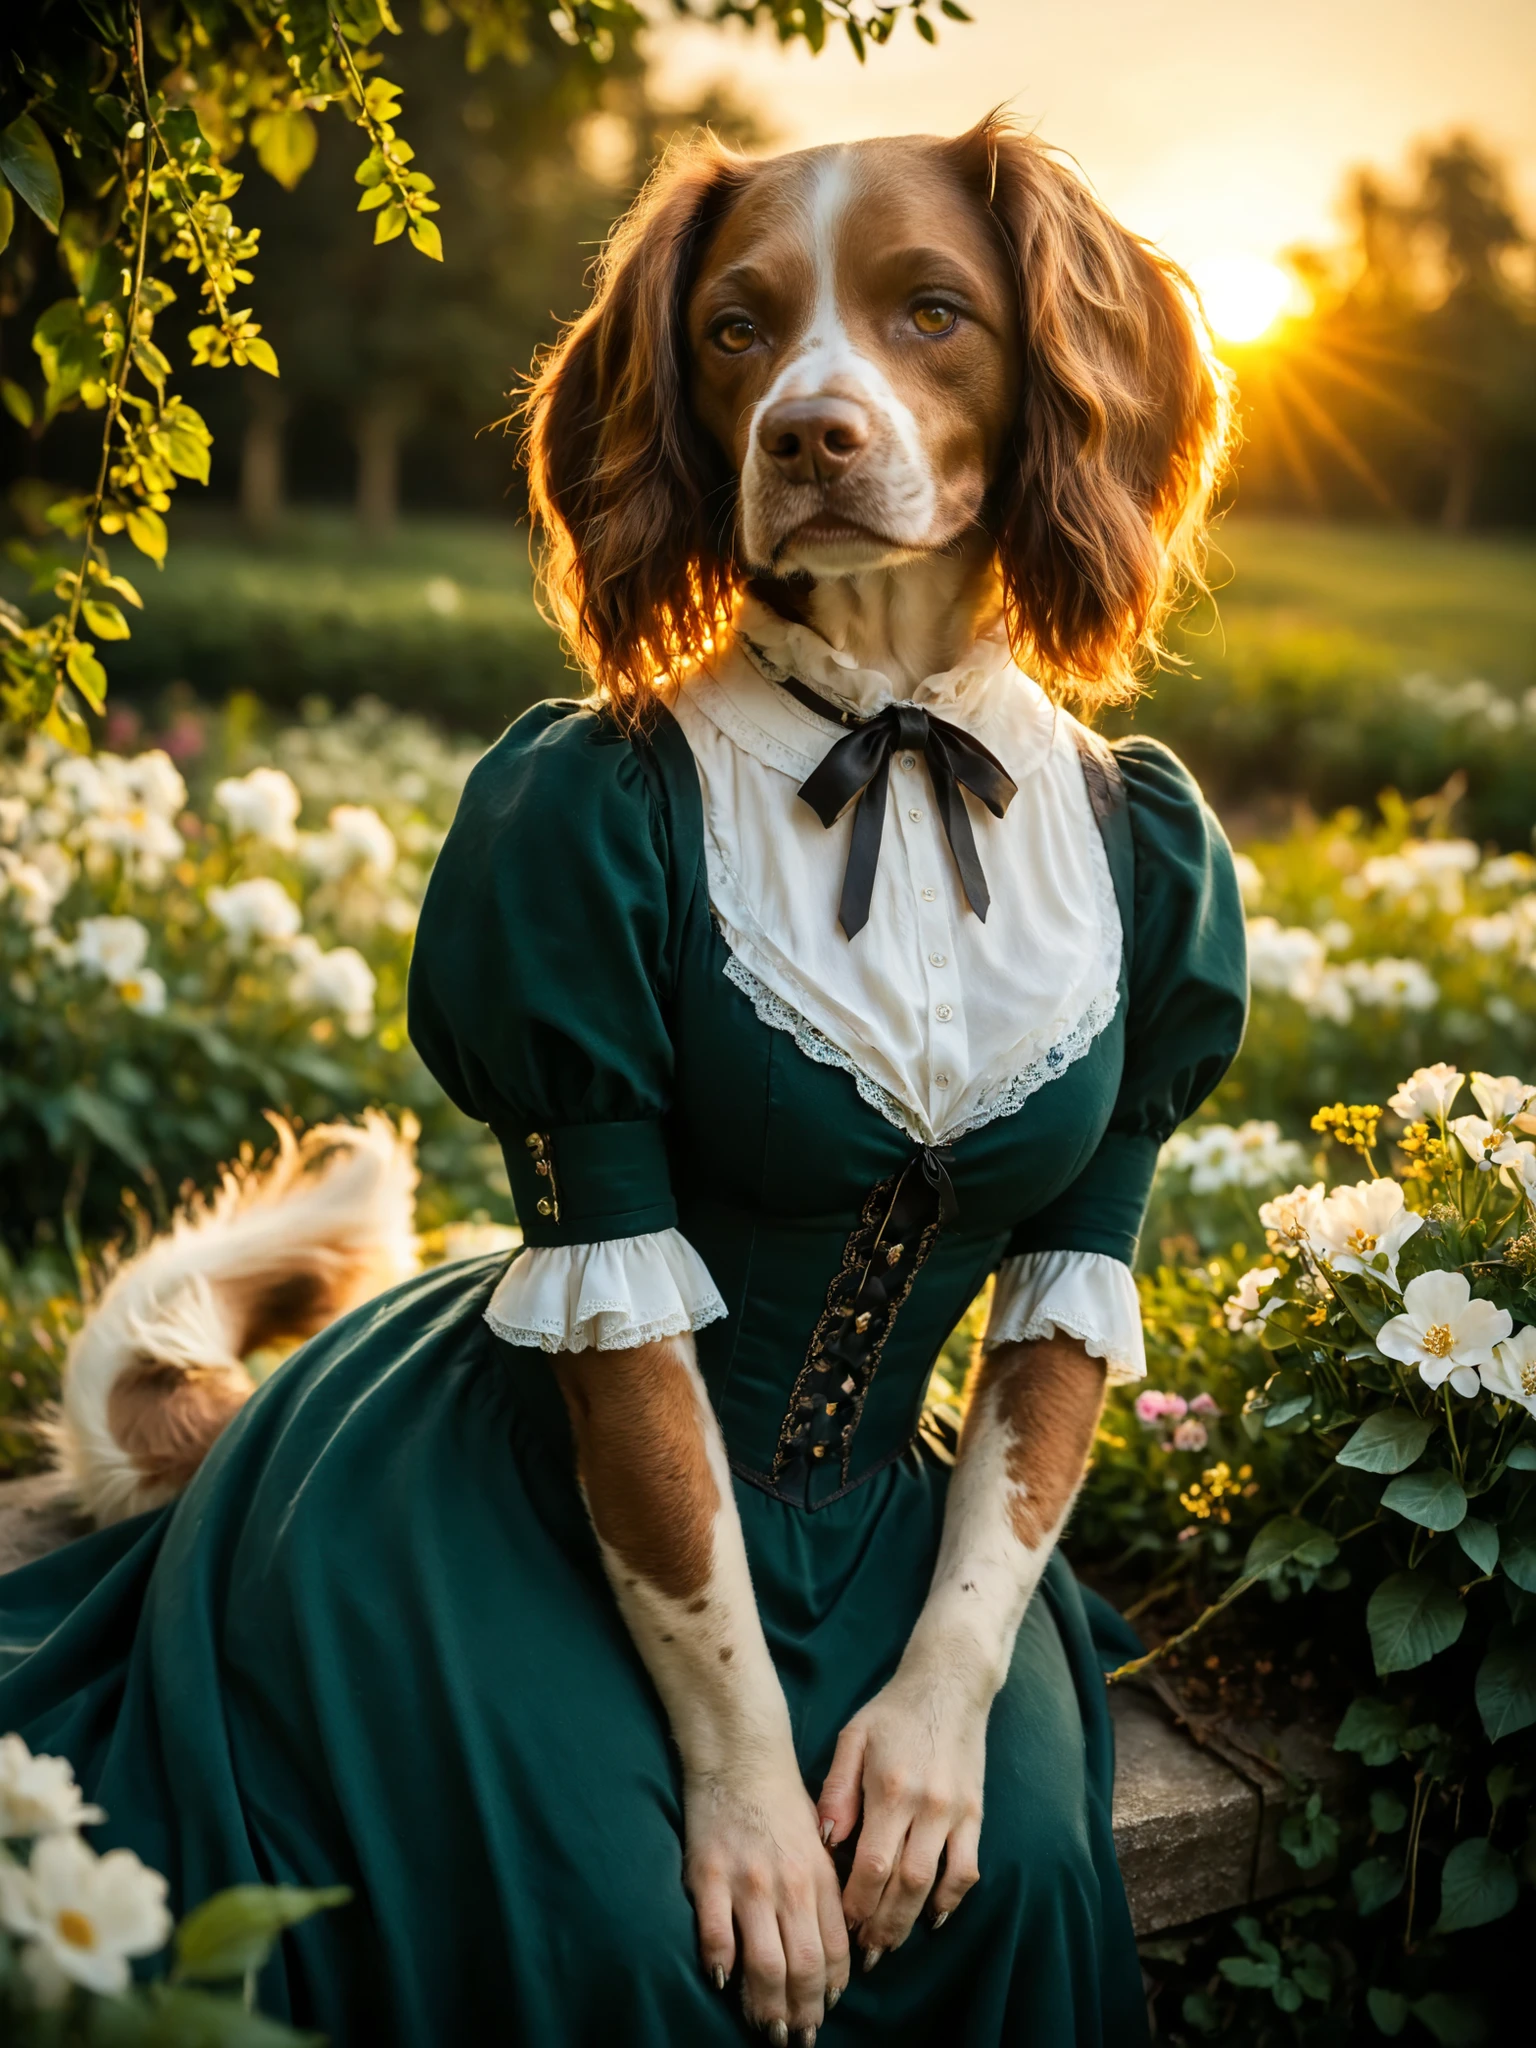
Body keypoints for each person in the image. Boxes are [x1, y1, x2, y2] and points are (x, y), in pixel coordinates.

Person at [0, 117, 1246, 2045]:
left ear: (1052, 383)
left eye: (927, 317)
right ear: (684, 402)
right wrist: (743, 1761)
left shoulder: (1144, 847)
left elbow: (1067, 1287)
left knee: (1027, 1881)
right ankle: (209, 1446)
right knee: (636, 1935)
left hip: (883, 1530)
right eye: (750, 342)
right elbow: (619, 1331)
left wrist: (945, 1686)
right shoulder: (593, 807)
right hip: (531, 1475)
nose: (822, 403)